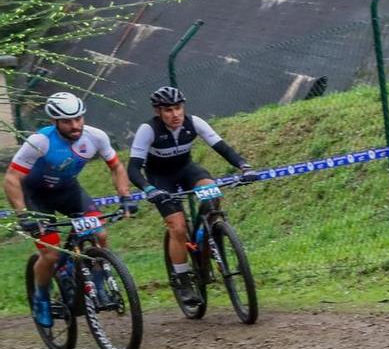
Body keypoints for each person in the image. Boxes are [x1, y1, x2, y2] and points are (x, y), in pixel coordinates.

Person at [5, 92, 135, 327]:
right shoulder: (40, 141)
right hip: (36, 197)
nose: (75, 126)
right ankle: (41, 296)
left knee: (100, 235)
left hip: (68, 191)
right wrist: (23, 215)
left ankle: (96, 284)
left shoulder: (96, 137)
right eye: (67, 121)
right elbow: (12, 179)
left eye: (78, 119)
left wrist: (125, 197)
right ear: (54, 122)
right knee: (51, 254)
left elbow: (116, 167)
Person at [129, 85, 260, 305]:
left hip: (187, 169)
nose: (175, 114)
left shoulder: (194, 122)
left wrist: (244, 167)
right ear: (158, 112)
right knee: (177, 227)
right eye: (168, 110)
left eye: (178, 108)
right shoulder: (148, 130)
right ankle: (182, 280)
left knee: (212, 194)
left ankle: (206, 234)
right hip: (161, 179)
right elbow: (133, 168)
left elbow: (222, 147)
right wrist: (149, 189)